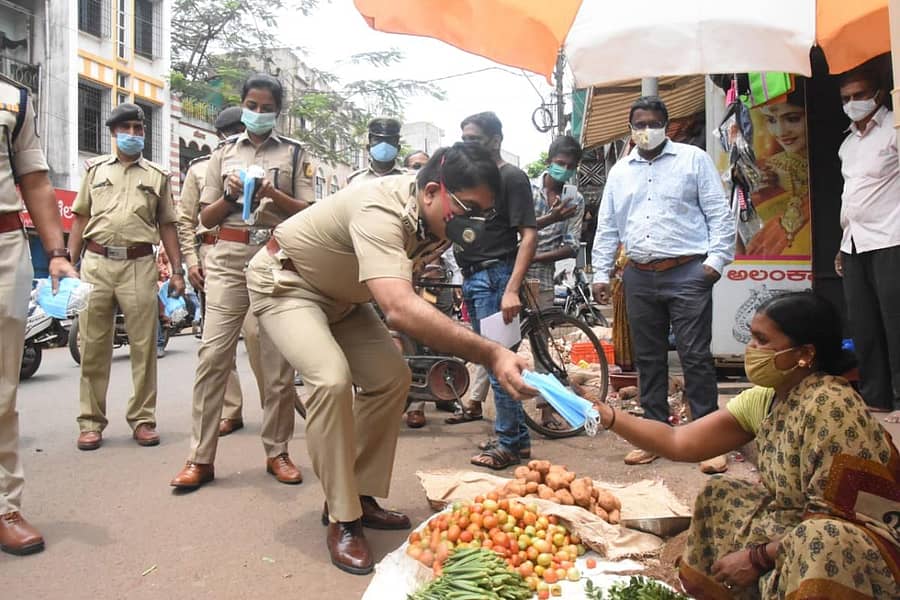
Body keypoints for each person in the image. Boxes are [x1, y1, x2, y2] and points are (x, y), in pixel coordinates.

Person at [245, 142, 535, 575]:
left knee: (391, 378)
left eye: (483, 213)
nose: (472, 223)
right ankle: (343, 519)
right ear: (433, 191)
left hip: (344, 298)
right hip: (288, 284)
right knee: (330, 380)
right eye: (467, 207)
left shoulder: (435, 219)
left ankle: (358, 492)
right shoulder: (378, 208)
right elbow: (399, 306)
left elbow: (401, 291)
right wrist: (492, 352)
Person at [590, 292, 900, 598]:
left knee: (819, 537)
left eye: (763, 341)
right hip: (792, 527)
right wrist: (610, 417)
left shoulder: (833, 406)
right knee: (719, 494)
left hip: (851, 542)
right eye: (752, 338)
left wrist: (758, 557)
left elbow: (838, 517)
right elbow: (678, 441)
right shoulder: (767, 397)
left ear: (804, 354)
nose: (751, 349)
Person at [169, 74, 313, 490]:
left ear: (277, 111)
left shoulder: (295, 154)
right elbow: (204, 219)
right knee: (213, 357)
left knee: (277, 364)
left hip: (275, 257)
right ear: (243, 104)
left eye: (268, 107)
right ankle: (200, 457)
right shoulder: (220, 156)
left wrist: (272, 194)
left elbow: (309, 211)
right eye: (253, 104)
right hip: (228, 260)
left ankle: (278, 451)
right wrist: (231, 197)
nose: (259, 112)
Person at [591, 96, 735, 472]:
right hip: (639, 274)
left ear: (666, 125)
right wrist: (600, 273)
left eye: (653, 123)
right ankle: (654, 434)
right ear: (630, 128)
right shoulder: (620, 172)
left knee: (695, 357)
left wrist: (715, 263)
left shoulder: (693, 159)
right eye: (638, 124)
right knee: (649, 359)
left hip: (688, 271)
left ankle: (707, 440)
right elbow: (607, 226)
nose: (646, 130)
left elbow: (720, 214)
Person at [68, 102, 185, 451]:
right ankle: (90, 422)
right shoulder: (94, 171)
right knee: (92, 346)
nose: (133, 134)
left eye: (139, 129)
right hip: (96, 264)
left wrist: (177, 271)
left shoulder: (157, 176)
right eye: (126, 128)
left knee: (144, 347)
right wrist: (67, 265)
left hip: (139, 264)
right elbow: (79, 218)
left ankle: (143, 420)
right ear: (113, 132)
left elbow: (167, 225)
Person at [0, 75, 78, 555]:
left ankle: (4, 505)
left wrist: (55, 251)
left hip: (4, 248)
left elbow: (34, 179)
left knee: (2, 389)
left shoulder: (12, 97)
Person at [445, 112, 537, 470]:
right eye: (463, 137)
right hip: (473, 277)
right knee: (492, 358)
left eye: (475, 138)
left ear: (496, 139)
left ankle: (509, 444)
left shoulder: (510, 177)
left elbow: (529, 236)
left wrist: (511, 289)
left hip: (496, 278)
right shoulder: (468, 180)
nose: (468, 144)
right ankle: (518, 440)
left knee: (500, 363)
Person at [176, 105, 265, 436]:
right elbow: (186, 219)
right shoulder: (202, 168)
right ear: (219, 136)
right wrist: (191, 261)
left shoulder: (267, 162)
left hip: (255, 254)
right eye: (229, 132)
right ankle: (231, 409)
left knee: (258, 335)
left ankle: (273, 407)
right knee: (217, 344)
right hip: (213, 254)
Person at [833, 65, 900, 420]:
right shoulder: (848, 143)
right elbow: (852, 196)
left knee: (896, 319)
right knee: (863, 322)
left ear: (879, 94)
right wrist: (843, 242)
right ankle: (876, 396)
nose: (853, 103)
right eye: (846, 98)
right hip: (855, 241)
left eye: (860, 96)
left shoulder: (894, 130)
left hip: (892, 237)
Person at [527, 135, 585, 430]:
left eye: (570, 166)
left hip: (543, 276)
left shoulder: (575, 199)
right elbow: (516, 227)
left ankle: (547, 410)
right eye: (560, 163)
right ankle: (475, 401)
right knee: (500, 342)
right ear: (549, 161)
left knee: (541, 347)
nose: (564, 169)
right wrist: (551, 218)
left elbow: (572, 245)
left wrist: (534, 258)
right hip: (512, 273)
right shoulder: (526, 188)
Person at [742, 89, 811, 257]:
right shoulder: (761, 170)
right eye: (771, 120)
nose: (780, 132)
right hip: (771, 269)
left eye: (792, 119)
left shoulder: (842, 157)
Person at [346, 117, 406, 185]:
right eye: (378, 140)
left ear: (398, 148)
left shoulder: (408, 180)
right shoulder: (354, 180)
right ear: (368, 147)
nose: (384, 145)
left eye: (389, 140)